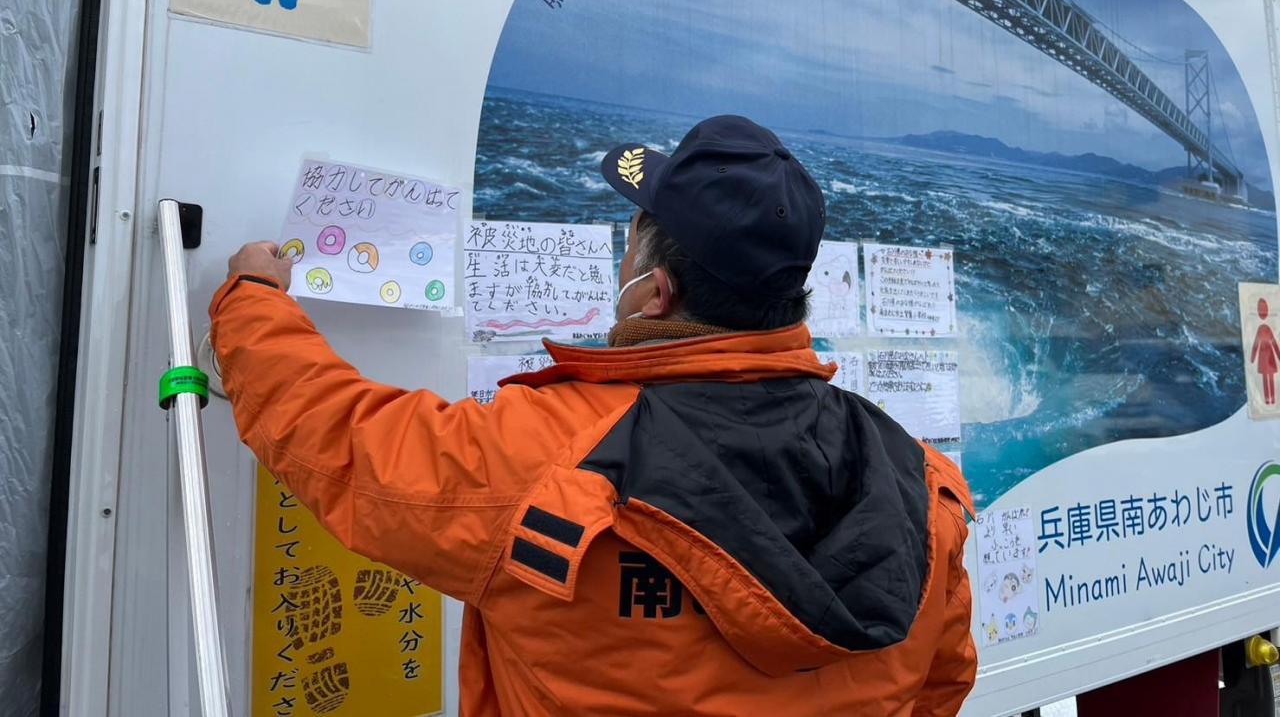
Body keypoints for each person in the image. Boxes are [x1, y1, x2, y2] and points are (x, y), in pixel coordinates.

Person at [212, 115, 977, 716]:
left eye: (633, 238)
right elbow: (941, 683)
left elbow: (339, 437)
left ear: (655, 292)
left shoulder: (547, 456)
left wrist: (253, 299)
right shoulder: (918, 483)